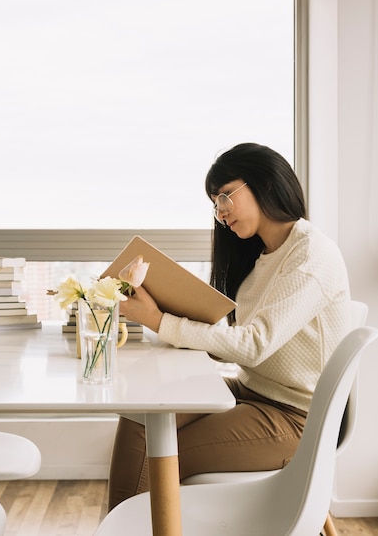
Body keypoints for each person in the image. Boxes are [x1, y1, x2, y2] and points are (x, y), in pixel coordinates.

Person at [108, 142, 351, 511]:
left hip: (296, 416)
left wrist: (159, 320)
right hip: (251, 391)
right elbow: (240, 339)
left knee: (163, 455)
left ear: (264, 183)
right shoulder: (262, 256)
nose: (220, 212)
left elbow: (254, 344)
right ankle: (116, 527)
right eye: (214, 203)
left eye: (225, 196)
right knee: (140, 417)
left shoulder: (310, 253)